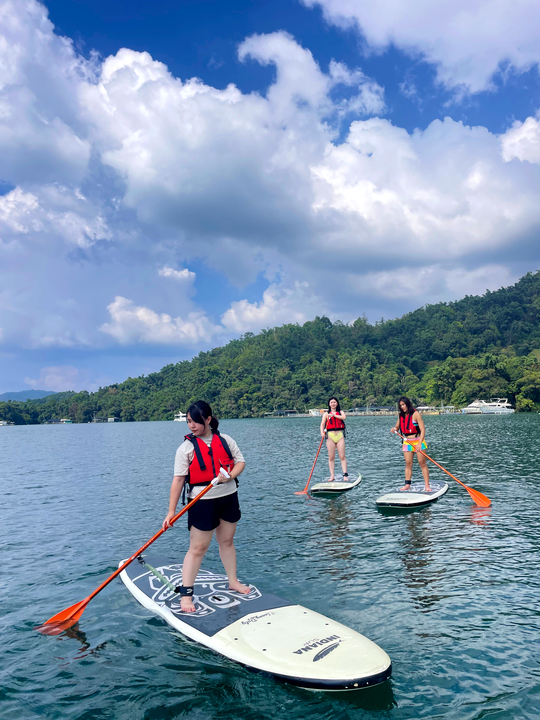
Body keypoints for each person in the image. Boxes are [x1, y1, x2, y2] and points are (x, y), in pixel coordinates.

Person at [162, 400, 249, 612]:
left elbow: (240, 462)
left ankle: (233, 581)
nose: (192, 426)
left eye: (196, 422)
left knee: (227, 541)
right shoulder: (185, 449)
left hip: (228, 497)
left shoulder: (226, 440)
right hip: (201, 502)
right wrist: (171, 511)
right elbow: (178, 480)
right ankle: (186, 595)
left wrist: (229, 478)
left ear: (208, 420)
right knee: (198, 548)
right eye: (189, 421)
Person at [391, 396, 432, 492]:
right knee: (408, 464)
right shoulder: (401, 415)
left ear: (407, 404)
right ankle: (407, 484)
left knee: (422, 463)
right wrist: (394, 429)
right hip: (407, 442)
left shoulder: (416, 414)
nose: (402, 407)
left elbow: (422, 430)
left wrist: (419, 443)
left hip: (418, 440)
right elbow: (397, 427)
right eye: (400, 405)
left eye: (403, 405)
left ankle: (427, 485)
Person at [320, 397, 348, 482]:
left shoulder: (340, 412)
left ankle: (345, 475)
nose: (333, 403)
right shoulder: (326, 414)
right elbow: (322, 425)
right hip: (330, 436)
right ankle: (332, 476)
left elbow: (343, 417)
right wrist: (322, 433)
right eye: (331, 402)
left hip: (339, 435)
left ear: (337, 403)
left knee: (342, 456)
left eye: (334, 402)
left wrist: (334, 415)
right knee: (331, 457)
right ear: (329, 404)